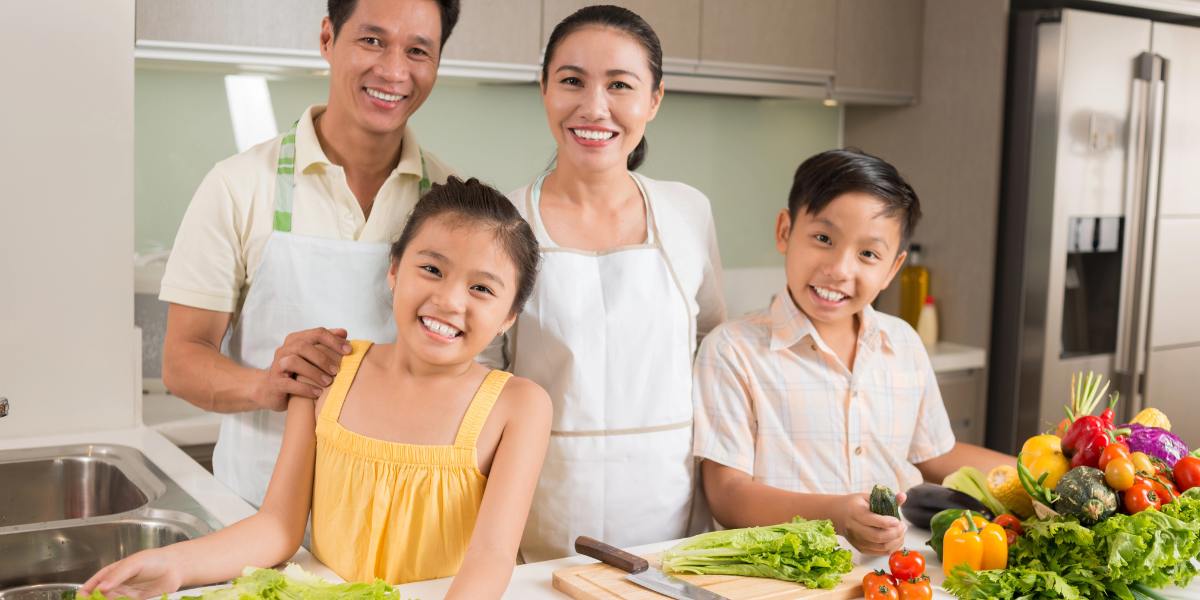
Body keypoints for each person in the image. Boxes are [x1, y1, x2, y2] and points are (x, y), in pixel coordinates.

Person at [83, 178, 552, 598]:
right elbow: (277, 526)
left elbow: (490, 559)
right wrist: (175, 565)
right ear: (394, 270)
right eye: (432, 269)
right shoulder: (330, 370)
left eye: (482, 289)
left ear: (509, 316)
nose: (448, 300)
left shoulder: (518, 406)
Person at [158, 0, 459, 506]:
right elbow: (182, 360)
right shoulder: (238, 186)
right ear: (327, 39)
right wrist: (265, 385)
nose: (393, 71)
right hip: (256, 508)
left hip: (396, 512)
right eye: (372, 41)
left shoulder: (453, 203)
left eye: (417, 51)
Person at [486, 5, 726, 562]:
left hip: (671, 520)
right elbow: (478, 378)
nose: (594, 107)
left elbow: (714, 347)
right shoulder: (500, 223)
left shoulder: (688, 212)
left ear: (654, 99)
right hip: (540, 515)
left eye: (620, 84)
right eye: (572, 81)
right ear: (544, 89)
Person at [693, 149, 1013, 555]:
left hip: (894, 571)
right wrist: (836, 516)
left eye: (868, 254)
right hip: (783, 575)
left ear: (892, 268)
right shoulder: (733, 349)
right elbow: (728, 494)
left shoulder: (902, 342)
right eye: (823, 239)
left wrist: (1043, 469)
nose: (840, 269)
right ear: (785, 231)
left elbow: (936, 454)